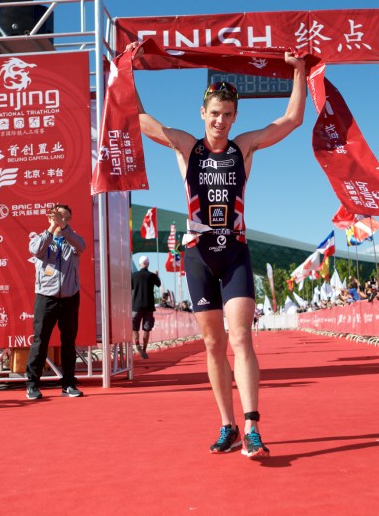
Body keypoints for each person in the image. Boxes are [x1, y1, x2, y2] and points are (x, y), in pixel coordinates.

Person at [126, 41, 306, 458]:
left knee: (242, 337)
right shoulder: (189, 148)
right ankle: (227, 425)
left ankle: (253, 425)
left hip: (236, 250)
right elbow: (139, 118)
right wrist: (126, 69)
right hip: (198, 253)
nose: (220, 122)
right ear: (203, 114)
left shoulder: (243, 147)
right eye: (214, 115)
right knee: (212, 345)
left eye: (227, 115)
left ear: (234, 116)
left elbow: (292, 119)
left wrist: (297, 70)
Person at [25, 203, 86, 399]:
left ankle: (68, 383)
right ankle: (32, 384)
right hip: (46, 298)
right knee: (40, 341)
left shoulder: (73, 240)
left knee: (68, 341)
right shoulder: (40, 239)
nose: (63, 221)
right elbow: (36, 250)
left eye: (67, 218)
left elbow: (82, 246)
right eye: (59, 217)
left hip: (69, 298)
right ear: (49, 217)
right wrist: (52, 227)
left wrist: (65, 228)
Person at [131, 255, 161, 358]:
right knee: (146, 329)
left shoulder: (134, 275)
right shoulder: (152, 276)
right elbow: (159, 284)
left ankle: (137, 344)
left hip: (136, 306)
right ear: (148, 264)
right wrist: (156, 275)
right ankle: (143, 349)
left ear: (140, 264)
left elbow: (130, 287)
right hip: (148, 306)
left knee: (134, 327)